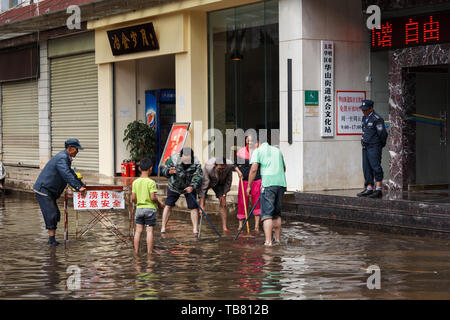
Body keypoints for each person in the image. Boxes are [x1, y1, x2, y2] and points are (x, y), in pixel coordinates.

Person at [33, 138, 87, 246]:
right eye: (77, 149)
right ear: (70, 148)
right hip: (44, 190)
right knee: (52, 214)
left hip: (50, 191)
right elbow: (66, 174)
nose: (78, 151)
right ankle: (51, 241)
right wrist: (78, 187)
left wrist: (80, 184)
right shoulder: (62, 158)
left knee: (56, 214)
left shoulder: (64, 157)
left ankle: (52, 239)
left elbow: (70, 173)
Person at [247, 137, 287, 246]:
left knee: (267, 214)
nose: (251, 145)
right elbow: (284, 168)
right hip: (281, 184)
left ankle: (268, 242)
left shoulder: (258, 151)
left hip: (268, 185)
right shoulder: (277, 150)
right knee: (277, 214)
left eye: (252, 143)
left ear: (258, 143)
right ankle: (277, 240)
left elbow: (254, 169)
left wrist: (249, 186)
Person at [160, 147, 203, 235]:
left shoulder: (196, 162)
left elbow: (198, 176)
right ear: (181, 156)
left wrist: (192, 186)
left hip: (189, 186)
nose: (187, 161)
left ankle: (195, 229)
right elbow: (164, 170)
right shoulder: (174, 159)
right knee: (168, 205)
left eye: (189, 159)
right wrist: (169, 172)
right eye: (185, 159)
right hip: (174, 186)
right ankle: (163, 227)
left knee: (193, 207)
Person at [199, 157, 241, 233]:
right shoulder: (208, 167)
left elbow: (229, 181)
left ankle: (224, 227)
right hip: (209, 180)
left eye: (223, 169)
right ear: (215, 165)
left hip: (220, 183)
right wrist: (202, 203)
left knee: (223, 203)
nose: (221, 170)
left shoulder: (229, 166)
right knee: (202, 203)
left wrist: (224, 194)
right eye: (219, 169)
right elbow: (204, 185)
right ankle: (200, 218)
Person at [357, 100, 388, 199]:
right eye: (362, 109)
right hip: (365, 146)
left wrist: (379, 145)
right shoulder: (364, 118)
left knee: (375, 166)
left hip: (374, 146)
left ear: (371, 108)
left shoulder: (377, 119)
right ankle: (369, 187)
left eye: (365, 109)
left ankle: (378, 188)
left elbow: (383, 134)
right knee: (366, 167)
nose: (363, 111)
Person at [132, 158, 163, 255]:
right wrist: (159, 204)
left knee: (138, 231)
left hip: (139, 209)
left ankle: (136, 253)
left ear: (139, 169)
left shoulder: (135, 182)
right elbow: (153, 197)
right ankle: (149, 254)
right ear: (151, 168)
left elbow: (133, 198)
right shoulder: (151, 182)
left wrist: (137, 203)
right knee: (149, 231)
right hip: (150, 209)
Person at [235, 134, 262, 232]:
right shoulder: (241, 152)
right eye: (248, 140)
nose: (249, 143)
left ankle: (256, 226)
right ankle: (241, 224)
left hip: (257, 180)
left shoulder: (259, 152)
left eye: (251, 141)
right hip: (244, 180)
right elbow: (235, 164)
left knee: (257, 203)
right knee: (242, 202)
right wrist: (238, 171)